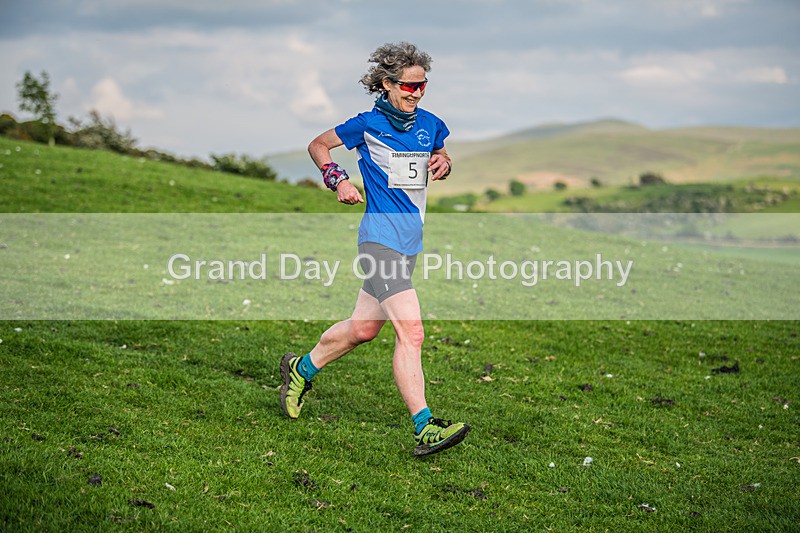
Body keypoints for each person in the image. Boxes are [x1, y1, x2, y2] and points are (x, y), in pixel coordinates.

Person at [279, 42, 469, 456]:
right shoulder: (365, 124)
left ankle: (301, 368)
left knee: (363, 330)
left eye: (423, 86)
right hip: (378, 239)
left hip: (409, 242)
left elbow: (440, 152)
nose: (416, 93)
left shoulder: (432, 124)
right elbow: (317, 145)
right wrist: (339, 180)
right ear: (387, 84)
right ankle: (425, 427)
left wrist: (445, 162)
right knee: (412, 331)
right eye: (408, 86)